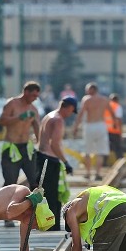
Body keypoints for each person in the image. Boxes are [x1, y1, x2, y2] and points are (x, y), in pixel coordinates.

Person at [36, 96, 79, 231]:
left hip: (41, 157)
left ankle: (44, 223)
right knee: (53, 195)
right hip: (50, 159)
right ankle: (52, 225)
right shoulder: (58, 120)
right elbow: (54, 143)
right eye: (72, 111)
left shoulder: (48, 116)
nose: (71, 114)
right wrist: (65, 162)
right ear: (69, 107)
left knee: (44, 192)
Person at [0, 81, 42, 187]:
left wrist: (41, 146)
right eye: (33, 95)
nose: (35, 98)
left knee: (35, 180)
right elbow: (2, 121)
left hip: (27, 148)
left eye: (37, 96)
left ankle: (33, 203)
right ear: (26, 92)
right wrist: (19, 118)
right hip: (11, 147)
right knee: (10, 181)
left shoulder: (33, 109)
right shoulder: (12, 103)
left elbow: (37, 128)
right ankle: (5, 202)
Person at [72, 82, 115, 181]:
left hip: (89, 126)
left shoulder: (86, 99)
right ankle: (98, 173)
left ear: (91, 90)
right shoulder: (104, 100)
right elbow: (112, 113)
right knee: (100, 151)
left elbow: (81, 114)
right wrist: (114, 123)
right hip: (100, 125)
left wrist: (75, 127)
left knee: (88, 151)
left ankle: (88, 173)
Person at [104, 93, 124, 162]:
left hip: (105, 131)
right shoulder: (117, 107)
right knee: (118, 149)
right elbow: (119, 121)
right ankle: (120, 162)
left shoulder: (106, 106)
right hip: (115, 131)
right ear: (117, 100)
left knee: (106, 148)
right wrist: (121, 133)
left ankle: (104, 163)